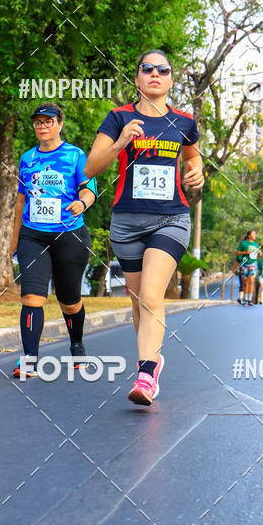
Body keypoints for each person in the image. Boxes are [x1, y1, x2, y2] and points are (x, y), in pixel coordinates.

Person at [85, 49, 204, 406]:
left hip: (171, 219)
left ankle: (147, 375)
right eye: (147, 69)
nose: (155, 73)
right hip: (126, 222)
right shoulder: (118, 118)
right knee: (138, 302)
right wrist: (121, 142)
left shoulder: (184, 123)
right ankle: (152, 358)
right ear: (137, 78)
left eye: (162, 70)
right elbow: (91, 168)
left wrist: (198, 175)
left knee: (152, 296)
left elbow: (193, 159)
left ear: (171, 79)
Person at [10, 104, 98, 379]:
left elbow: (89, 189)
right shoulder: (27, 158)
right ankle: (30, 360)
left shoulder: (75, 155)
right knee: (32, 297)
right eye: (37, 122)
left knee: (69, 300)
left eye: (48, 121)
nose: (42, 126)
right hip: (33, 235)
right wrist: (14, 241)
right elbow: (21, 200)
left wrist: (81, 203)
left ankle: (77, 346)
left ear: (60, 123)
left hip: (70, 235)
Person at [236, 229, 260, 306]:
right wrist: (245, 252)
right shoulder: (243, 243)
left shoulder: (256, 244)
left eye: (255, 234)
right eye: (253, 234)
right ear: (249, 235)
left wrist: (259, 253)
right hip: (244, 264)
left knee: (251, 282)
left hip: (253, 264)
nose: (255, 235)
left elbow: (256, 254)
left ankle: (250, 300)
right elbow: (237, 252)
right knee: (245, 283)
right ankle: (245, 299)